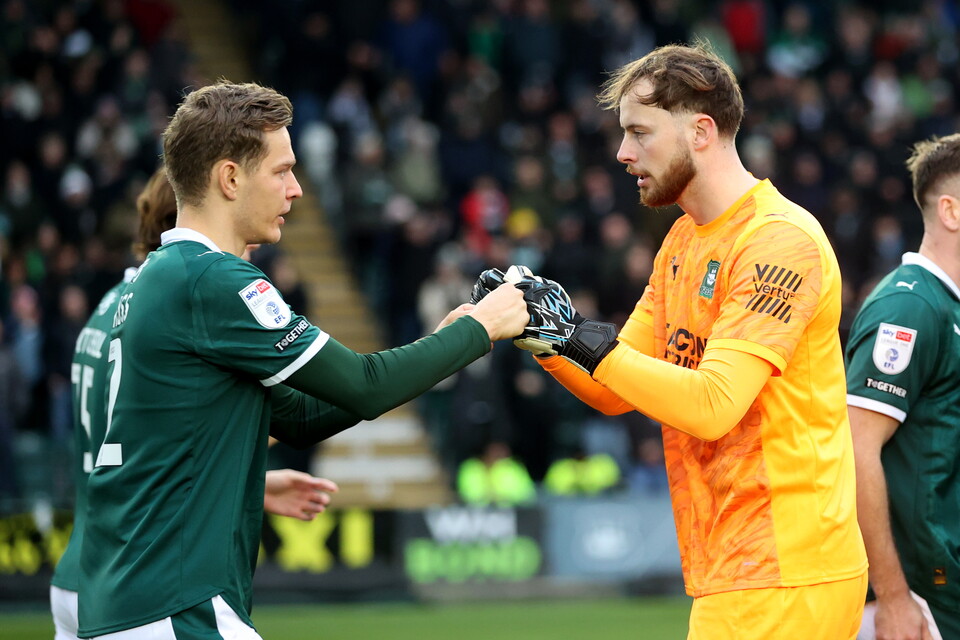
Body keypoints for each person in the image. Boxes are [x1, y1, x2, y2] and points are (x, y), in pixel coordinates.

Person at [77, 81, 528, 639]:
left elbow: (301, 414)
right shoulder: (211, 279)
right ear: (230, 178)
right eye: (282, 170)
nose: (295, 190)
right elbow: (364, 385)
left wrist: (443, 343)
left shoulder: (160, 277)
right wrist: (482, 328)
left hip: (138, 599)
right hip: (175, 605)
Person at [476, 43, 867, 639]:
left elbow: (713, 406)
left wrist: (579, 335)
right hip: (737, 564)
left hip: (786, 565)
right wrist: (540, 333)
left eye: (639, 132)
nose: (622, 152)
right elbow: (615, 389)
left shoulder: (777, 242)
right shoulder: (683, 241)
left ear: (702, 131)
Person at [50, 167, 341, 640]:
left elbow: (135, 439)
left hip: (85, 566)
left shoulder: (111, 307)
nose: (249, 252)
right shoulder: (168, 305)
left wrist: (250, 482)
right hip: (135, 574)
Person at [846, 134, 960, 640]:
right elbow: (856, 450)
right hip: (930, 594)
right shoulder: (909, 308)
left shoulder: (948, 307)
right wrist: (892, 596)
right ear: (951, 212)